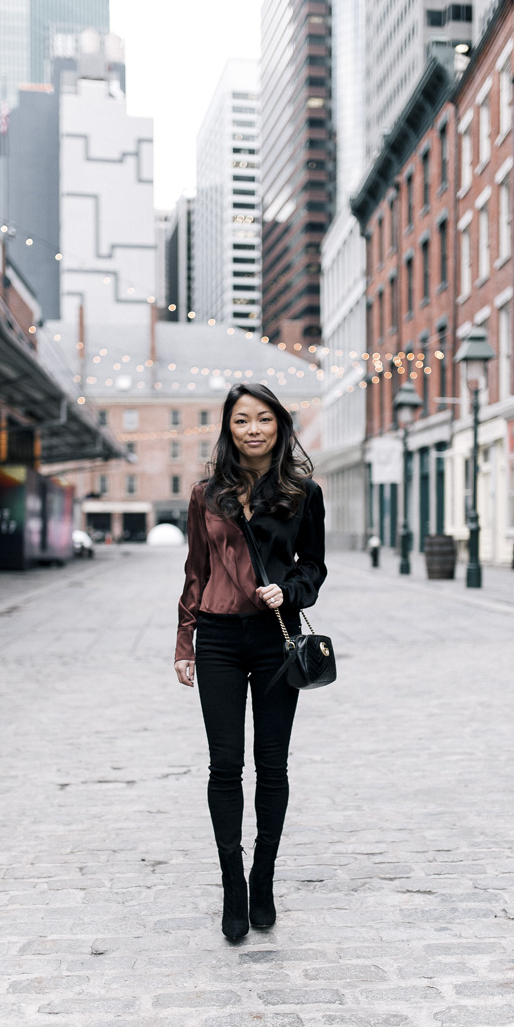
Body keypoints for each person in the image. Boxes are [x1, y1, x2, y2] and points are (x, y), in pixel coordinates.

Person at [174, 384, 326, 942]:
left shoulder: (303, 493)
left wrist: (288, 592)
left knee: (273, 765)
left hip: (273, 642)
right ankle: (232, 886)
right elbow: (195, 568)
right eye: (242, 420)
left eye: (264, 419)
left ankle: (262, 880)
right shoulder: (205, 494)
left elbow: (314, 566)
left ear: (280, 426)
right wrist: (185, 640)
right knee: (224, 766)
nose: (253, 429)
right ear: (229, 428)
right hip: (216, 637)